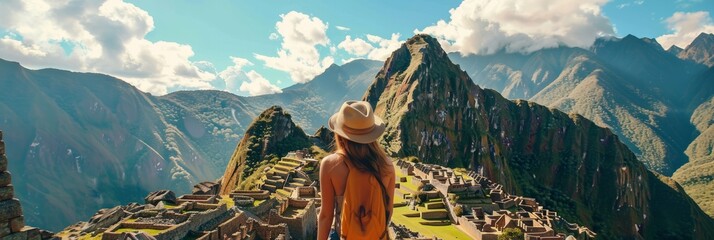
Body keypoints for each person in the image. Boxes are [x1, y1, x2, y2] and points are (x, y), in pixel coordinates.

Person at [318, 101, 396, 240]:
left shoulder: (330, 165)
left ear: (340, 133)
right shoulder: (387, 166)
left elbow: (326, 215)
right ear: (372, 134)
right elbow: (388, 211)